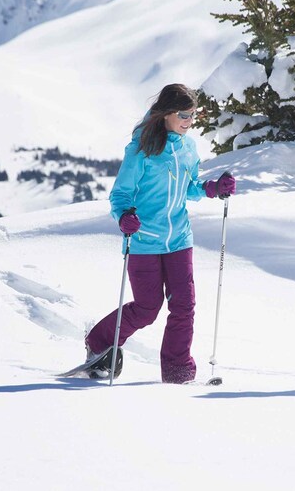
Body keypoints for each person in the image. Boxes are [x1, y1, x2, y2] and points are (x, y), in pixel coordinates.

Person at [82, 83, 236, 384]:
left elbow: (189, 188)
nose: (189, 122)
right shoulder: (142, 148)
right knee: (146, 308)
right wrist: (124, 216)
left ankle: (178, 372)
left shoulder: (188, 147)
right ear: (166, 113)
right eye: (183, 115)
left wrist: (212, 188)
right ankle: (99, 343)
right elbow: (120, 194)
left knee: (184, 306)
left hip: (179, 238)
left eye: (193, 116)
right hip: (143, 241)